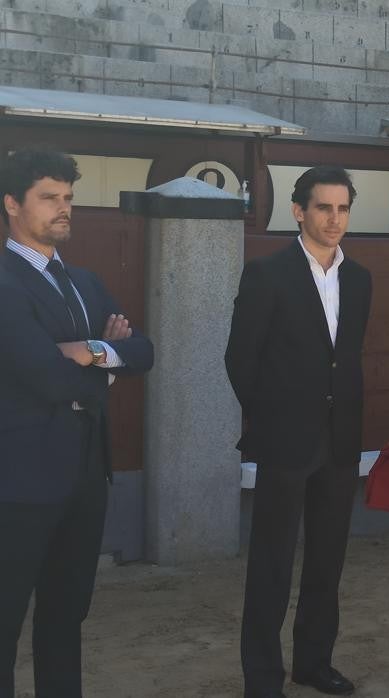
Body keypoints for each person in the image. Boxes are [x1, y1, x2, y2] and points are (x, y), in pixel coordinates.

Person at [0, 147, 154, 697]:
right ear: (12, 204)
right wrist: (105, 362)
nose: (63, 207)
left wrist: (89, 351)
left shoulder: (85, 282)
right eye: (49, 197)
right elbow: (44, 376)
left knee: (66, 617)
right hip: (18, 483)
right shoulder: (4, 282)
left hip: (86, 473)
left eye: (68, 197)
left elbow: (143, 351)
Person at [226, 165, 373, 697]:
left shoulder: (359, 279)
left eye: (342, 208)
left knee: (327, 561)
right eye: (323, 208)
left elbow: (345, 359)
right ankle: (263, 679)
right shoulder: (267, 274)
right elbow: (240, 359)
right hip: (285, 441)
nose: (334, 219)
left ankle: (313, 663)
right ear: (298, 211)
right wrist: (272, 420)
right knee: (271, 564)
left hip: (340, 440)